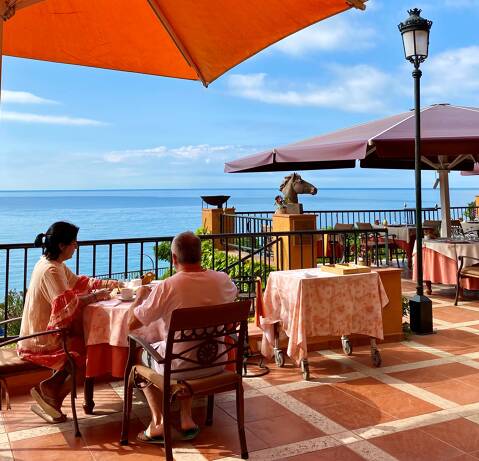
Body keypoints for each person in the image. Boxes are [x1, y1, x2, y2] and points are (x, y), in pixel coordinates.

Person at [128, 231, 237, 444]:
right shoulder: (222, 280)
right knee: (182, 349)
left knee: (141, 351)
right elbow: (232, 295)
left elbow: (133, 324)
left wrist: (139, 298)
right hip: (217, 362)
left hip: (178, 368)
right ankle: (186, 418)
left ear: (174, 259)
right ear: (200, 254)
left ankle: (158, 422)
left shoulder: (168, 286)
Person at [17, 221, 118, 422]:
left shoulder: (54, 265)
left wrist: (113, 284)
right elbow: (66, 305)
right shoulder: (51, 271)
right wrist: (96, 297)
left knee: (86, 347)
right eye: (74, 243)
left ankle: (51, 390)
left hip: (41, 331)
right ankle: (52, 392)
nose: (76, 246)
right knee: (87, 355)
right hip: (41, 337)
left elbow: (79, 282)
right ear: (62, 246)